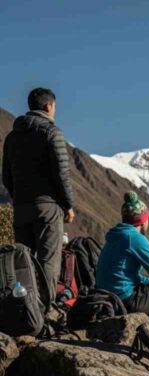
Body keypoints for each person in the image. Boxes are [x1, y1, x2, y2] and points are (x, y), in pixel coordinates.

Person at [2, 88, 75, 295]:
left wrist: (20, 198)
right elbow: (62, 173)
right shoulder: (51, 132)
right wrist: (68, 205)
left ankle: (25, 312)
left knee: (23, 264)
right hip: (48, 208)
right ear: (48, 106)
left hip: (21, 208)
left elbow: (6, 176)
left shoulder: (12, 137)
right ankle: (46, 312)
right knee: (48, 262)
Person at [95, 191, 149, 318]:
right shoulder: (134, 238)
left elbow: (127, 275)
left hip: (108, 298)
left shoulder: (117, 235)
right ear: (142, 221)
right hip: (125, 300)